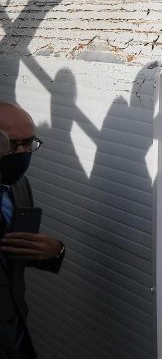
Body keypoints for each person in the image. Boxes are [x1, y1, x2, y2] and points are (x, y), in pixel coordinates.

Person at [0, 102, 66, 358]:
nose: (23, 152)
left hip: (14, 331)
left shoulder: (19, 186)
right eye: (12, 144)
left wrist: (54, 251)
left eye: (29, 143)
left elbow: (12, 255)